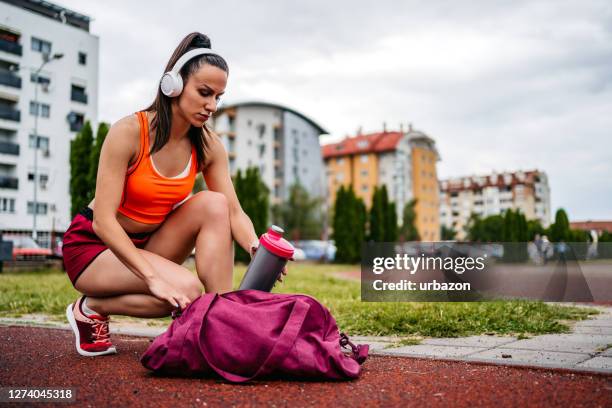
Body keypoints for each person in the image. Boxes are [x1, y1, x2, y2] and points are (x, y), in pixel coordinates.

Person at [62, 32, 288, 357]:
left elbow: (234, 212)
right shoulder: (129, 132)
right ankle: (92, 303)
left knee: (215, 204)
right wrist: (153, 277)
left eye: (218, 97)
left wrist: (257, 248)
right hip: (95, 248)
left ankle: (222, 324)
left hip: (148, 243)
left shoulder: (207, 145)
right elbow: (103, 223)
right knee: (184, 290)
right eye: (204, 93)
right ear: (174, 85)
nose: (212, 106)